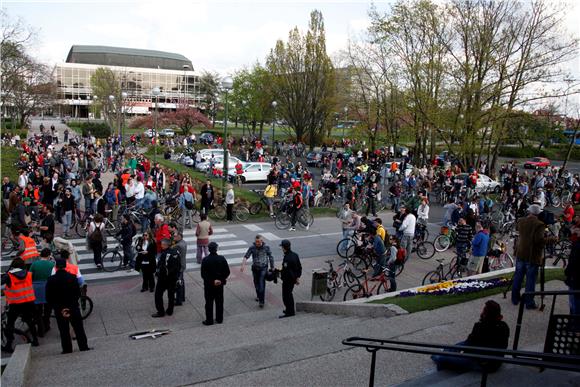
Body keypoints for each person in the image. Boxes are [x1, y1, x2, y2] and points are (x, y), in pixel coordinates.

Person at [431, 300, 509, 373]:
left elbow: (469, 344)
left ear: (486, 314)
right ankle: (445, 353)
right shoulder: (503, 326)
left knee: (442, 359)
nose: (481, 312)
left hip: (482, 362)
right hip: (492, 358)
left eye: (483, 311)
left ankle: (439, 356)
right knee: (456, 346)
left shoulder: (481, 327)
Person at [511, 204, 557, 309]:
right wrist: (552, 239)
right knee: (530, 281)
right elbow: (539, 241)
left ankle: (515, 299)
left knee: (518, 277)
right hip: (531, 256)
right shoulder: (539, 224)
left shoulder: (521, 221)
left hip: (521, 253)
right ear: (538, 213)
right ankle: (529, 303)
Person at [46, 258, 90, 354]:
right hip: (73, 306)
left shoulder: (51, 280)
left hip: (59, 307)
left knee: (63, 329)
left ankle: (67, 349)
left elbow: (48, 296)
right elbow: (78, 293)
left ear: (56, 267)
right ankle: (83, 346)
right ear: (65, 266)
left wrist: (54, 306)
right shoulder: (72, 277)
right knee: (78, 328)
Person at [1, 258, 39, 353]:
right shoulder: (29, 274)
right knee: (30, 322)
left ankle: (9, 344)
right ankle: (35, 340)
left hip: (15, 304)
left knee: (10, 324)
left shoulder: (9, 276)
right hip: (29, 302)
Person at [201, 242, 231, 325]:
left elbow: (203, 274)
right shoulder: (221, 258)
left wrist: (212, 281)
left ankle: (209, 320)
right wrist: (220, 280)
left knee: (209, 303)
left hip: (209, 286)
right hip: (219, 285)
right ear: (216, 249)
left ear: (209, 249)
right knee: (219, 302)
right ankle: (219, 319)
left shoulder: (205, 260)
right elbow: (227, 271)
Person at [241, 235, 275, 308]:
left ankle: (261, 301)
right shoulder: (252, 247)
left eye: (259, 242)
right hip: (255, 268)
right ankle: (259, 296)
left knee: (261, 283)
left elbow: (271, 257)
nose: (257, 243)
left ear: (262, 241)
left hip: (263, 268)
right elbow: (246, 256)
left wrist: (272, 267)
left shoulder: (266, 247)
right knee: (256, 284)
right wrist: (243, 265)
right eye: (256, 242)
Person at [29, 248, 55, 337]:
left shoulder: (34, 264)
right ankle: (46, 324)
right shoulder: (51, 264)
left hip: (36, 288)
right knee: (48, 308)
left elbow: (29, 276)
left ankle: (40, 327)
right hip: (48, 288)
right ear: (48, 255)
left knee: (38, 309)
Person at [152, 239, 181, 318]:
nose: (161, 246)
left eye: (162, 244)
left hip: (164, 278)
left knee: (158, 295)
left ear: (165, 245)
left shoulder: (164, 254)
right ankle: (170, 310)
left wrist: (158, 275)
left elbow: (162, 267)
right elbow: (179, 265)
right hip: (173, 278)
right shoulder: (176, 252)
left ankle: (161, 312)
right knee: (171, 295)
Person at [279, 239, 301, 318]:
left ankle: (290, 311)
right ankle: (289, 309)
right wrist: (297, 277)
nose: (281, 248)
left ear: (284, 248)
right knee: (289, 294)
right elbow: (299, 267)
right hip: (292, 279)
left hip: (288, 280)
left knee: (286, 296)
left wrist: (280, 274)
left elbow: (287, 270)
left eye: (282, 247)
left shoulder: (287, 258)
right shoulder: (295, 255)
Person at [173, 231, 188, 306]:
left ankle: (179, 300)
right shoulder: (184, 242)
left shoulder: (178, 245)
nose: (174, 237)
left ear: (179, 236)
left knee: (178, 283)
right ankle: (182, 297)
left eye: (175, 236)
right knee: (181, 282)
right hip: (182, 264)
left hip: (179, 266)